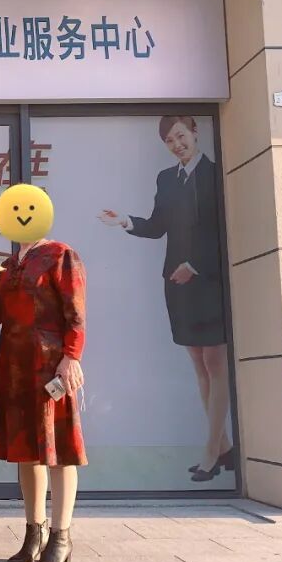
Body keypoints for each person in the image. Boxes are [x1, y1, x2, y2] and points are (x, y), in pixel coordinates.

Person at [98, 115, 233, 482]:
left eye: (180, 136)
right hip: (177, 282)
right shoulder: (166, 179)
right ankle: (223, 446)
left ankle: (211, 452)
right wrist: (125, 220)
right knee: (198, 364)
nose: (177, 145)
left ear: (195, 132)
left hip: (209, 280)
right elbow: (158, 227)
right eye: (170, 141)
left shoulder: (216, 174)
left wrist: (196, 264)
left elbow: (226, 229)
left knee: (215, 363)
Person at [0, 185, 87, 562]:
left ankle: (61, 537)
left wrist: (71, 358)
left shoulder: (60, 255)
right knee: (26, 451)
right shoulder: (9, 264)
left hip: (49, 364)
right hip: (14, 366)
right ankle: (35, 532)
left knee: (58, 450)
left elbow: (76, 313)